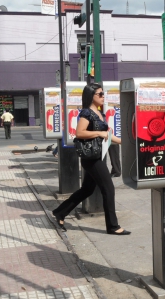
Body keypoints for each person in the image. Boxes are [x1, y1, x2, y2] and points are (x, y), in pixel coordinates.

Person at [52, 83, 130, 235]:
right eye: (100, 94)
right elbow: (79, 133)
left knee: (87, 190)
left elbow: (107, 134)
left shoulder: (100, 113)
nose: (103, 97)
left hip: (97, 155)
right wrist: (98, 134)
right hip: (91, 158)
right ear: (91, 96)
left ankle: (60, 212)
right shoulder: (86, 113)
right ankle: (113, 226)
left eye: (103, 94)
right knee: (108, 188)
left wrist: (125, 142)